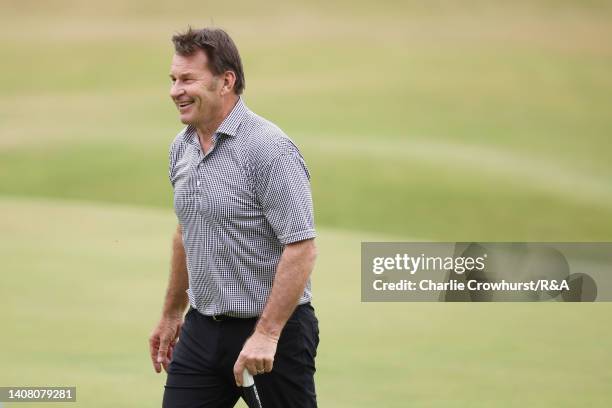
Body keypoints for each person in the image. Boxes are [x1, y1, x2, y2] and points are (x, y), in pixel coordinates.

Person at [148, 27, 319, 408]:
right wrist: (172, 311)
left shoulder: (269, 149)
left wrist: (267, 334)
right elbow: (186, 231)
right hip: (202, 331)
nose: (176, 90)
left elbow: (302, 248)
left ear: (226, 81)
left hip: (275, 335)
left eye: (188, 79)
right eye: (174, 79)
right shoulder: (182, 148)